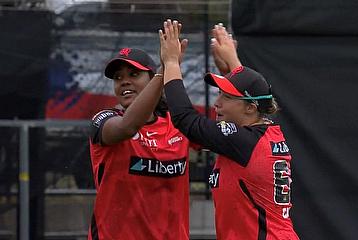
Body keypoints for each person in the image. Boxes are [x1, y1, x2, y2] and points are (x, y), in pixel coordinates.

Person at [159, 20, 299, 239]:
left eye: (226, 97)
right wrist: (232, 62)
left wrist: (171, 63)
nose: (217, 103)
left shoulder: (242, 141)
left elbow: (186, 119)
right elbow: (254, 92)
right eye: (219, 94)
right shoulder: (263, 132)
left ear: (250, 108)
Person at [88, 45, 191, 239]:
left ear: (151, 80)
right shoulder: (104, 120)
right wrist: (165, 70)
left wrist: (230, 68)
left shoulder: (176, 123)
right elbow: (127, 127)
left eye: (134, 74)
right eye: (118, 78)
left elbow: (226, 136)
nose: (124, 82)